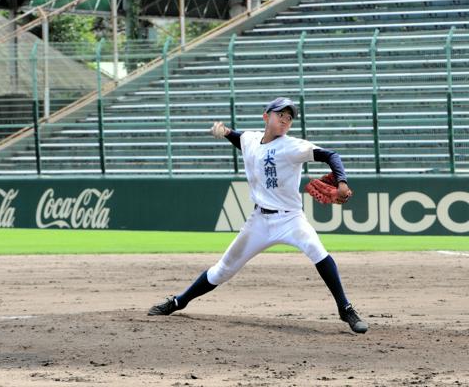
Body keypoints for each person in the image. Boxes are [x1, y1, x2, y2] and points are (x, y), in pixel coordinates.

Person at [147, 97, 368, 334]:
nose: (285, 120)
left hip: (290, 219)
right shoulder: (250, 138)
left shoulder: (292, 146)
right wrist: (225, 131)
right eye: (280, 115)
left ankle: (345, 309)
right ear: (266, 116)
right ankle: (179, 301)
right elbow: (239, 139)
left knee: (317, 251)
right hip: (259, 222)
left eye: (289, 117)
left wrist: (342, 182)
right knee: (223, 269)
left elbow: (331, 155)